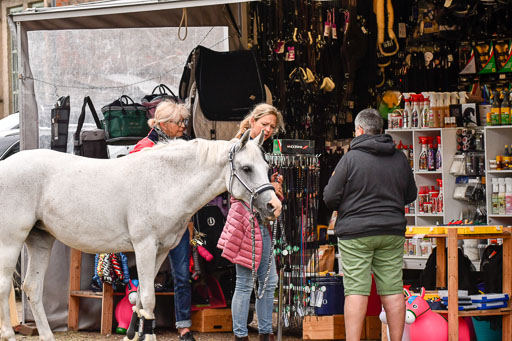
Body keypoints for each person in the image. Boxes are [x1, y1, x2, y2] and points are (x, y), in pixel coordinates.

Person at [323, 109, 417, 341]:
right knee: (393, 289)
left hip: (356, 233)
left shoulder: (350, 159)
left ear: (360, 131)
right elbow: (411, 194)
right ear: (380, 130)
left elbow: (329, 198)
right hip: (391, 231)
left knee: (356, 289)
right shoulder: (399, 158)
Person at [217, 103, 285, 341]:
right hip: (245, 220)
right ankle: (242, 335)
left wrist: (273, 189)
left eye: (272, 127)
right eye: (264, 124)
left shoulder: (258, 149)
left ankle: (264, 333)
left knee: (267, 280)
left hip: (259, 221)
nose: (268, 130)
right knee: (246, 282)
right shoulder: (239, 146)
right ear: (253, 121)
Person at [130, 99, 195, 341]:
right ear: (165, 124)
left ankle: (184, 327)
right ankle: (143, 324)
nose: (183, 127)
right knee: (148, 275)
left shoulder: (184, 146)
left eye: (185, 122)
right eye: (180, 122)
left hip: (178, 222)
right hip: (150, 226)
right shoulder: (143, 147)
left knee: (182, 275)